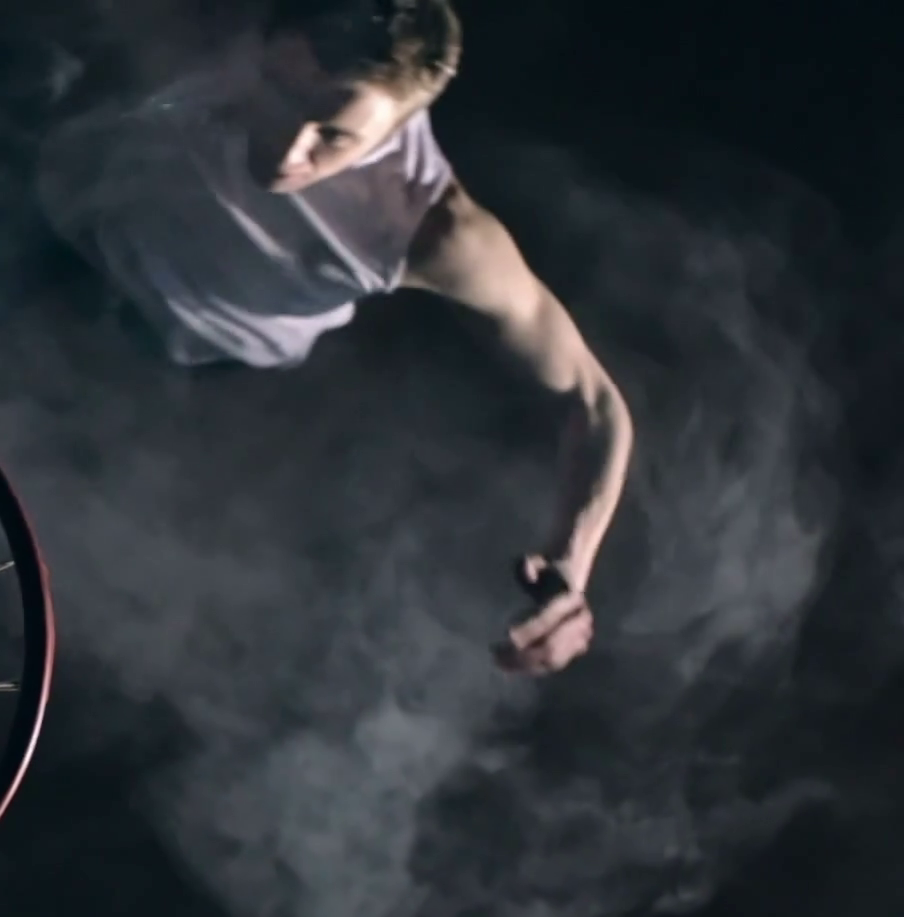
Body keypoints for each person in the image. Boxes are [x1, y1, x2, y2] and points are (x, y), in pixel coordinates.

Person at [38, 0, 634, 675]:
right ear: (263, 38)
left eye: (333, 136)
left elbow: (593, 402)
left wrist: (571, 566)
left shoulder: (431, 228)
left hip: (174, 369)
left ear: (393, 133)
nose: (289, 151)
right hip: (46, 235)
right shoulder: (193, 25)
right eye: (281, 95)